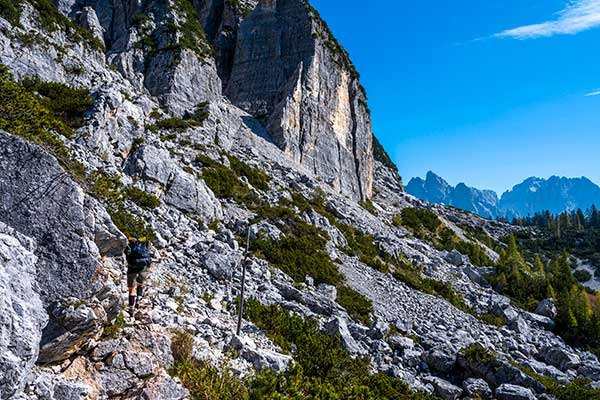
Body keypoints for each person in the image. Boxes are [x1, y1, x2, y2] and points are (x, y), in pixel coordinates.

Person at [126, 236, 152, 315]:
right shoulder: (144, 244)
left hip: (132, 268)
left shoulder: (129, 245)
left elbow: (127, 255)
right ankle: (138, 299)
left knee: (131, 289)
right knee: (140, 283)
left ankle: (131, 308)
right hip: (143, 267)